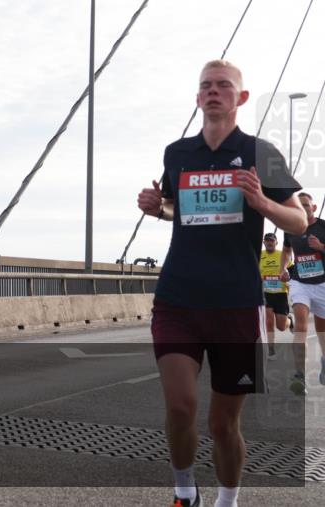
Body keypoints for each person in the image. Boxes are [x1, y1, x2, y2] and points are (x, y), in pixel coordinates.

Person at [137, 60, 306, 507]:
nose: (214, 92)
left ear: (241, 98)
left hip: (235, 303)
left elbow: (299, 218)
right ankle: (183, 489)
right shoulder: (177, 154)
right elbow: (179, 210)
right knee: (179, 407)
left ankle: (227, 500)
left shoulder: (260, 152)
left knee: (222, 425)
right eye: (206, 86)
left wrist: (261, 201)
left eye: (223, 86)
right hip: (178, 299)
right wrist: (159, 207)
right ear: (197, 99)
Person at [281, 191, 325, 396]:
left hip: (322, 284)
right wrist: (283, 268)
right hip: (300, 282)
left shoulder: (323, 226)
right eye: (299, 205)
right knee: (300, 325)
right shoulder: (290, 228)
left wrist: (321, 246)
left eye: (307, 205)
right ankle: (299, 374)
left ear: (314, 208)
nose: (303, 208)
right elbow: (286, 250)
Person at [259, 232, 291, 357]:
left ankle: (290, 321)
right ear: (263, 242)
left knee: (282, 327)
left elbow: (292, 271)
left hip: (280, 293)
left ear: (276, 242)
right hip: (265, 293)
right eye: (267, 240)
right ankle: (271, 348)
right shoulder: (259, 255)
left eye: (272, 240)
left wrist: (288, 277)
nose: (269, 242)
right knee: (268, 321)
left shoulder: (282, 255)